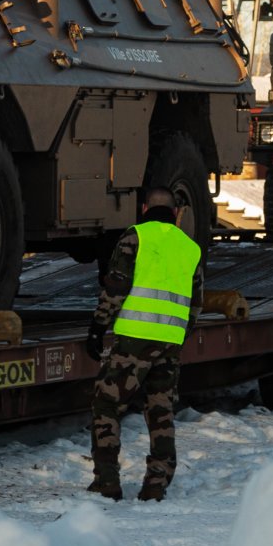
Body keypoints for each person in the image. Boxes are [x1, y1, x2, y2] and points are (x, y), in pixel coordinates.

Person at [87, 189, 203, 501]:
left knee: (107, 404)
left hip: (134, 341)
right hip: (170, 342)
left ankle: (107, 480)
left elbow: (117, 286)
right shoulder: (190, 248)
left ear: (144, 208)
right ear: (177, 211)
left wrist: (98, 327)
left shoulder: (134, 237)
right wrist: (179, 333)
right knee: (161, 410)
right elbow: (196, 304)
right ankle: (156, 484)